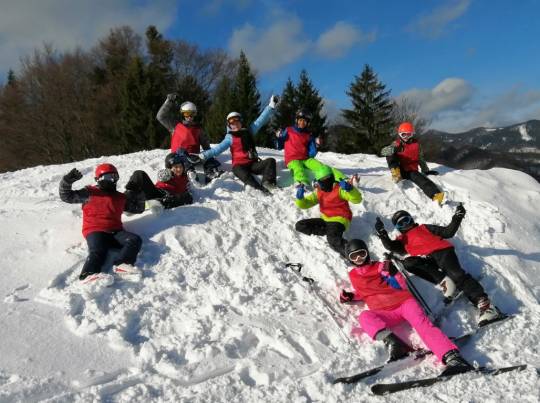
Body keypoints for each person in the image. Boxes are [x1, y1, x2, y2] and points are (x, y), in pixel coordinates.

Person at [339, 239, 473, 375]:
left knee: (423, 325)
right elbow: (364, 291)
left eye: (361, 254)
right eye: (354, 256)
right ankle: (395, 344)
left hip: (404, 304)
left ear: (367, 252)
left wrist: (393, 273)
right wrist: (351, 296)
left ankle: (453, 358)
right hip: (383, 312)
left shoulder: (381, 266)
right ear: (350, 259)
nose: (359, 258)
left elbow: (400, 285)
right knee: (364, 317)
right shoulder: (353, 275)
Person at [374, 205, 505, 326]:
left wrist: (457, 217)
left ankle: (486, 306)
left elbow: (448, 232)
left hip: (442, 252)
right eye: (401, 224)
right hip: (426, 260)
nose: (405, 224)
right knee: (409, 263)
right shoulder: (401, 240)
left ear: (411, 219)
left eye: (406, 220)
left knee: (456, 274)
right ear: (398, 228)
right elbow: (390, 246)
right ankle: (446, 281)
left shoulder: (424, 228)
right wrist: (382, 234)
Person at [59, 164, 145, 284]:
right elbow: (66, 196)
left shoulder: (120, 197)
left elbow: (138, 209)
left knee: (134, 240)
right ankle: (88, 274)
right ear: (98, 179)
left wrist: (138, 192)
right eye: (107, 177)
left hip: (115, 232)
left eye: (114, 177)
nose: (111, 180)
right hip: (95, 230)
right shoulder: (90, 192)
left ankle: (122, 264)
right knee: (99, 250)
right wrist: (67, 181)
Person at [198, 95, 279, 194]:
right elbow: (217, 149)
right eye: (232, 123)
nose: (235, 124)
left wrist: (271, 106)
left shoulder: (249, 131)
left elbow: (260, 121)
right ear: (229, 125)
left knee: (270, 161)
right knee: (239, 171)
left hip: (252, 164)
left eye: (237, 121)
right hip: (239, 166)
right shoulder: (230, 137)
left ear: (241, 122)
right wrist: (204, 155)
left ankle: (268, 182)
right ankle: (258, 188)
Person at [295, 165, 362, 257]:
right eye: (323, 180)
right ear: (318, 181)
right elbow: (305, 204)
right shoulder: (318, 192)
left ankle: (354, 254)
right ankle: (329, 231)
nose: (327, 181)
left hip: (339, 219)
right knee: (300, 225)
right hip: (326, 220)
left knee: (333, 240)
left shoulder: (340, 189)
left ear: (333, 177)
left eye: (329, 178)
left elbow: (357, 199)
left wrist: (351, 190)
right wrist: (300, 198)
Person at [156, 95, 223, 183]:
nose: (190, 116)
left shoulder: (198, 130)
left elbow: (206, 147)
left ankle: (211, 172)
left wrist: (209, 157)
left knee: (209, 158)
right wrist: (169, 101)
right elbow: (160, 117)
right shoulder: (174, 126)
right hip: (177, 158)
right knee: (178, 156)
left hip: (194, 157)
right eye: (187, 113)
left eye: (192, 114)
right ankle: (188, 173)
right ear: (182, 114)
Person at [276, 108, 347, 189]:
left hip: (306, 159)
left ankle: (343, 179)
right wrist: (279, 136)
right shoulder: (289, 130)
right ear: (297, 120)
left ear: (308, 123)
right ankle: (301, 183)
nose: (302, 123)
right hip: (292, 159)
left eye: (305, 121)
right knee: (298, 168)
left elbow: (312, 153)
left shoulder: (308, 135)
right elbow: (279, 145)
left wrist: (316, 145)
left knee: (322, 167)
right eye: (300, 120)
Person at [380, 122, 444, 205]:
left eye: (408, 134)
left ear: (412, 134)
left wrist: (425, 170)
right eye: (404, 135)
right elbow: (383, 152)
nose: (406, 137)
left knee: (422, 180)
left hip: (411, 171)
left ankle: (435, 194)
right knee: (390, 154)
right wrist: (394, 149)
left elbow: (420, 158)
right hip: (398, 169)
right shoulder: (396, 143)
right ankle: (396, 173)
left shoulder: (416, 145)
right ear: (400, 134)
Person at [125, 153, 193, 213]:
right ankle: (127, 200)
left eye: (181, 166)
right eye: (176, 167)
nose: (179, 169)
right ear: (169, 168)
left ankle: (155, 203)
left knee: (187, 197)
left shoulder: (185, 177)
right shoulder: (167, 174)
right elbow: (160, 176)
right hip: (156, 192)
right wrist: (167, 174)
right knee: (139, 174)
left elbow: (188, 190)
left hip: (168, 198)